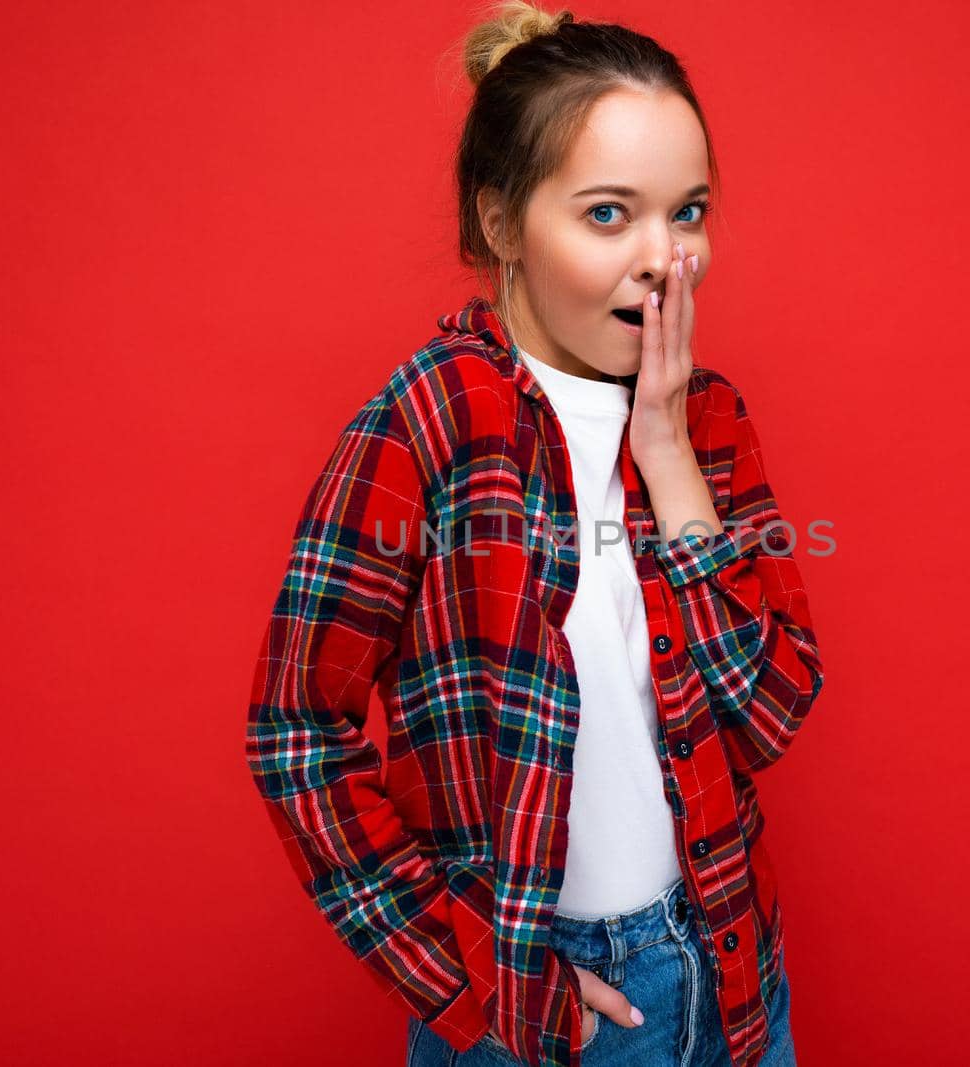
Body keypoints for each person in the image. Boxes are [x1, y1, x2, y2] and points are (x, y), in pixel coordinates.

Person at [244, 3, 825, 1064]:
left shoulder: (706, 420)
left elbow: (769, 709)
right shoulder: (428, 423)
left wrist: (663, 451)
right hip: (546, 1007)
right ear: (501, 223)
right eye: (610, 215)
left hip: (735, 978)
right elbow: (296, 728)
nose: (665, 258)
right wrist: (473, 982)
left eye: (685, 212)